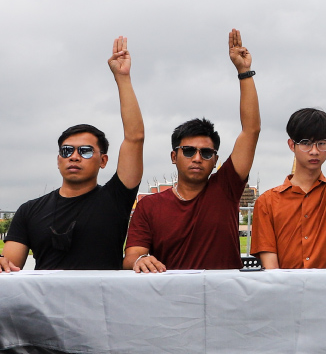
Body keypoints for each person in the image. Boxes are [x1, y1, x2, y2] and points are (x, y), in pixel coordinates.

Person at [0, 37, 145, 272]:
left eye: (85, 151)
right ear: (59, 159)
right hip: (46, 308)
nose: (74, 156)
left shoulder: (115, 200)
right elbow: (10, 268)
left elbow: (134, 138)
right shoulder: (29, 211)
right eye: (67, 151)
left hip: (102, 306)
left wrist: (122, 78)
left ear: (103, 160)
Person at [123, 29, 261, 272]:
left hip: (226, 301)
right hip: (173, 304)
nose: (197, 158)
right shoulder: (150, 206)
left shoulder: (226, 188)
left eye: (206, 153)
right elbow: (132, 255)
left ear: (215, 160)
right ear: (174, 156)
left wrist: (244, 72)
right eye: (188, 151)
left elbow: (251, 130)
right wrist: (139, 261)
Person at [251, 37, 326, 269]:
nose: (314, 151)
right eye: (306, 143)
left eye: (322, 143)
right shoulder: (268, 202)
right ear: (291, 145)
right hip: (287, 298)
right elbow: (271, 267)